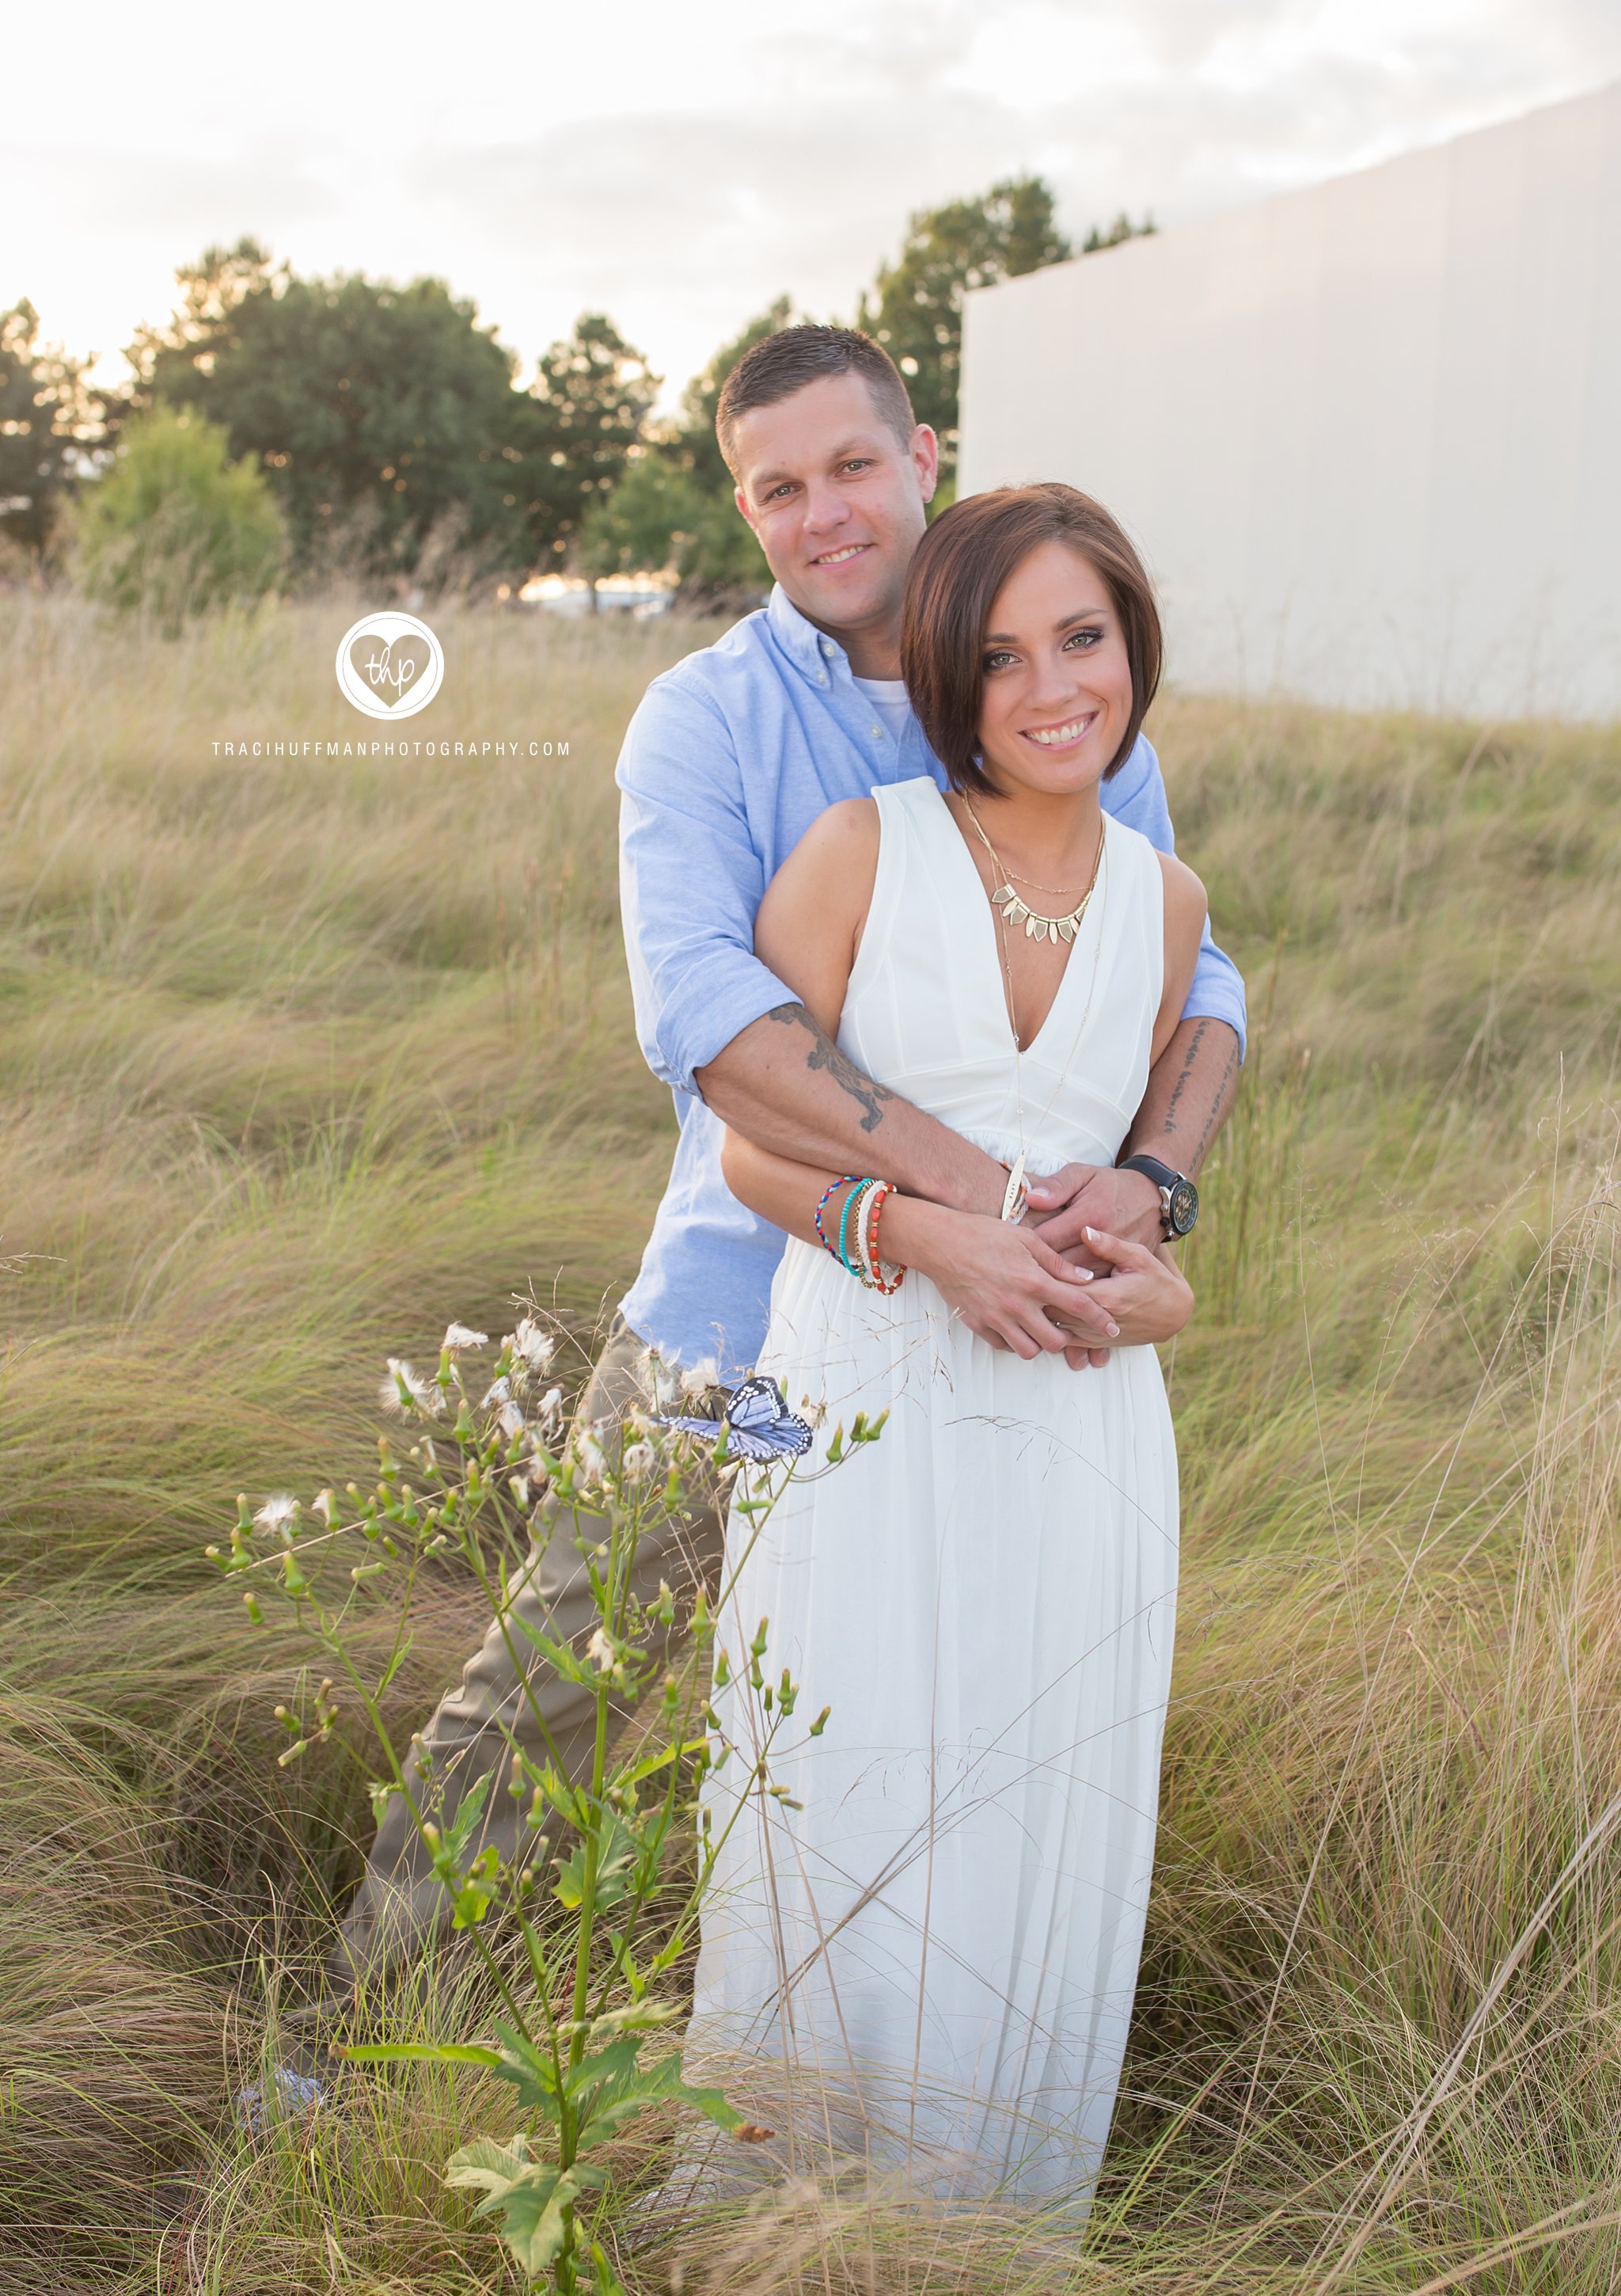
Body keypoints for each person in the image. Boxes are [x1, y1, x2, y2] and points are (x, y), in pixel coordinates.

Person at [333, 326, 1243, 1984]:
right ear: (741, 508)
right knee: (568, 1686)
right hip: (745, 1342)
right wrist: (969, 1205)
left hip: (1008, 1356)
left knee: (941, 1717)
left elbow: (1194, 974)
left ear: (922, 459)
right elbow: (714, 1025)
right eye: (775, 488)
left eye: (847, 467)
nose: (821, 513)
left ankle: (894, 2080)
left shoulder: (1054, 684)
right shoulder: (706, 723)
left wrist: (1154, 1181)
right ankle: (353, 2046)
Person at [689, 481, 1198, 2205]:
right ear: (941, 677)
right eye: (997, 655)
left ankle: (980, 2255)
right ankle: (781, 2239)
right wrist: (925, 1238)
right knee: (836, 1779)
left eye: (1082, 636)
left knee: (1039, 1803)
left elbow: (1139, 1206)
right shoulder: (858, 852)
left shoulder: (1169, 905)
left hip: (1082, 1432)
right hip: (850, 1385)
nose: (1051, 687)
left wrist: (1156, 1282)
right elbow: (752, 1146)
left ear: (1131, 642)